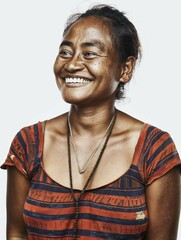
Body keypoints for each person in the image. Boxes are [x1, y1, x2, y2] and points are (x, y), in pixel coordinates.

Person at [1, 4, 181, 240]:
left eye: (89, 54)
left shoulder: (154, 150)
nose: (72, 64)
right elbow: (16, 234)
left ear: (125, 69)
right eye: (65, 52)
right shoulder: (28, 143)